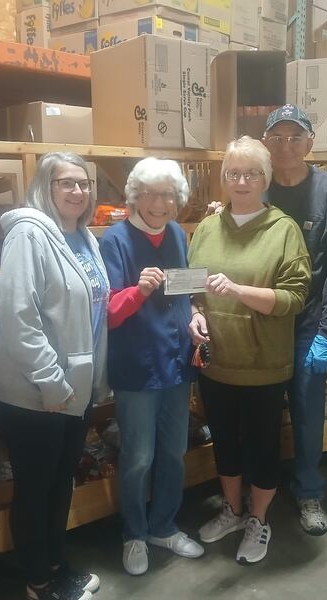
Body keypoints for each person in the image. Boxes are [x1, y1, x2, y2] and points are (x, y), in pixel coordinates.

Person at [0, 152, 107, 600]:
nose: (78, 191)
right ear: (45, 187)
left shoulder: (83, 236)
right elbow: (19, 317)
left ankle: (57, 564)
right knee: (36, 488)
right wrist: (51, 382)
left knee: (60, 483)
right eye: (66, 183)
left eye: (84, 183)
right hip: (33, 393)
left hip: (72, 390)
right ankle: (38, 580)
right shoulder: (29, 235)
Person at [188, 136, 311, 565]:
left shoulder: (283, 230)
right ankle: (233, 511)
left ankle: (259, 519)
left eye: (251, 173)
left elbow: (295, 297)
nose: (241, 181)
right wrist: (195, 315)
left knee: (262, 447)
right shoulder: (207, 227)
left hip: (263, 365)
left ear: (267, 178)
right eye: (233, 173)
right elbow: (192, 287)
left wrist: (239, 291)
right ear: (223, 178)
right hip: (217, 362)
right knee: (225, 444)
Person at [99, 158, 204, 576]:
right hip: (138, 369)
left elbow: (187, 292)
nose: (159, 203)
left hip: (177, 363)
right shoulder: (115, 240)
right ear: (134, 196)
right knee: (139, 457)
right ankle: (134, 534)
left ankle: (163, 526)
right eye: (150, 194)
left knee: (174, 452)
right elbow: (107, 313)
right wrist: (137, 291)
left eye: (168, 195)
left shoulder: (178, 234)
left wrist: (197, 316)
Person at [262, 104, 327, 536]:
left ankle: (309, 490)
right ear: (265, 144)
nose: (286, 146)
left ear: (310, 143)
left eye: (295, 137)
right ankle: (257, 488)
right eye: (277, 138)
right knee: (258, 410)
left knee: (308, 410)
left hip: (309, 322)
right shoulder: (256, 187)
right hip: (261, 320)